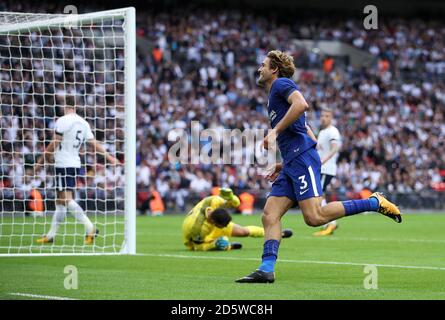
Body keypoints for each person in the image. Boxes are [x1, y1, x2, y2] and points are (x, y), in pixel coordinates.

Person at [236, 50, 401, 283]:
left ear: (274, 69)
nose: (259, 69)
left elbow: (302, 104)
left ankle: (375, 202)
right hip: (295, 161)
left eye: (263, 65)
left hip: (302, 160)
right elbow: (311, 138)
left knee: (314, 217)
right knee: (269, 215)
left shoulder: (281, 84)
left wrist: (274, 132)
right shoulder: (275, 96)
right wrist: (285, 163)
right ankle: (266, 268)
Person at [34, 95, 120, 245]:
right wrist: (110, 157)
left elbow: (54, 143)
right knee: (60, 201)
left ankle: (90, 227)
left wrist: (41, 160)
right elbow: (94, 144)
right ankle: (50, 236)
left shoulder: (63, 120)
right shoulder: (84, 123)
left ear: (64, 105)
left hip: (63, 163)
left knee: (66, 199)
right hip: (75, 164)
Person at [182, 188, 292, 251]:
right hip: (195, 239)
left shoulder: (212, 201)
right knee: (221, 244)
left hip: (209, 226)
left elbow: (236, 204)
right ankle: (229, 246)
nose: (225, 227)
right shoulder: (197, 228)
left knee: (244, 231)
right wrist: (213, 245)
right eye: (223, 227)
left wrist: (231, 197)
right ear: (215, 223)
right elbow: (197, 247)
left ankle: (279, 234)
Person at [313, 107, 341, 236]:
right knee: (319, 195)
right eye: (322, 115)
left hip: (326, 168)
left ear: (331, 118)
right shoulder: (322, 132)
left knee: (318, 195)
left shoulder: (332, 131)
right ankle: (328, 223)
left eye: (327, 116)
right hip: (321, 168)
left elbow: (335, 148)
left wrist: (323, 160)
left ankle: (331, 223)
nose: (324, 118)